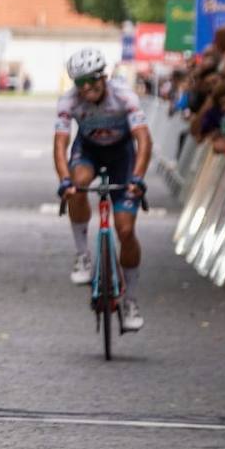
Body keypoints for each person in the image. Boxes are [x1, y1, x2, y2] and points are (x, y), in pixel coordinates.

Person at [54, 47, 151, 331]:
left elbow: (144, 141)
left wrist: (138, 178)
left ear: (104, 77)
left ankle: (131, 299)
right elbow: (60, 144)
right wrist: (64, 180)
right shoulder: (68, 101)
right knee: (78, 184)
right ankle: (82, 255)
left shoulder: (124, 96)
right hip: (89, 151)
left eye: (92, 81)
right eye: (80, 83)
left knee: (125, 230)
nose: (87, 88)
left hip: (122, 156)